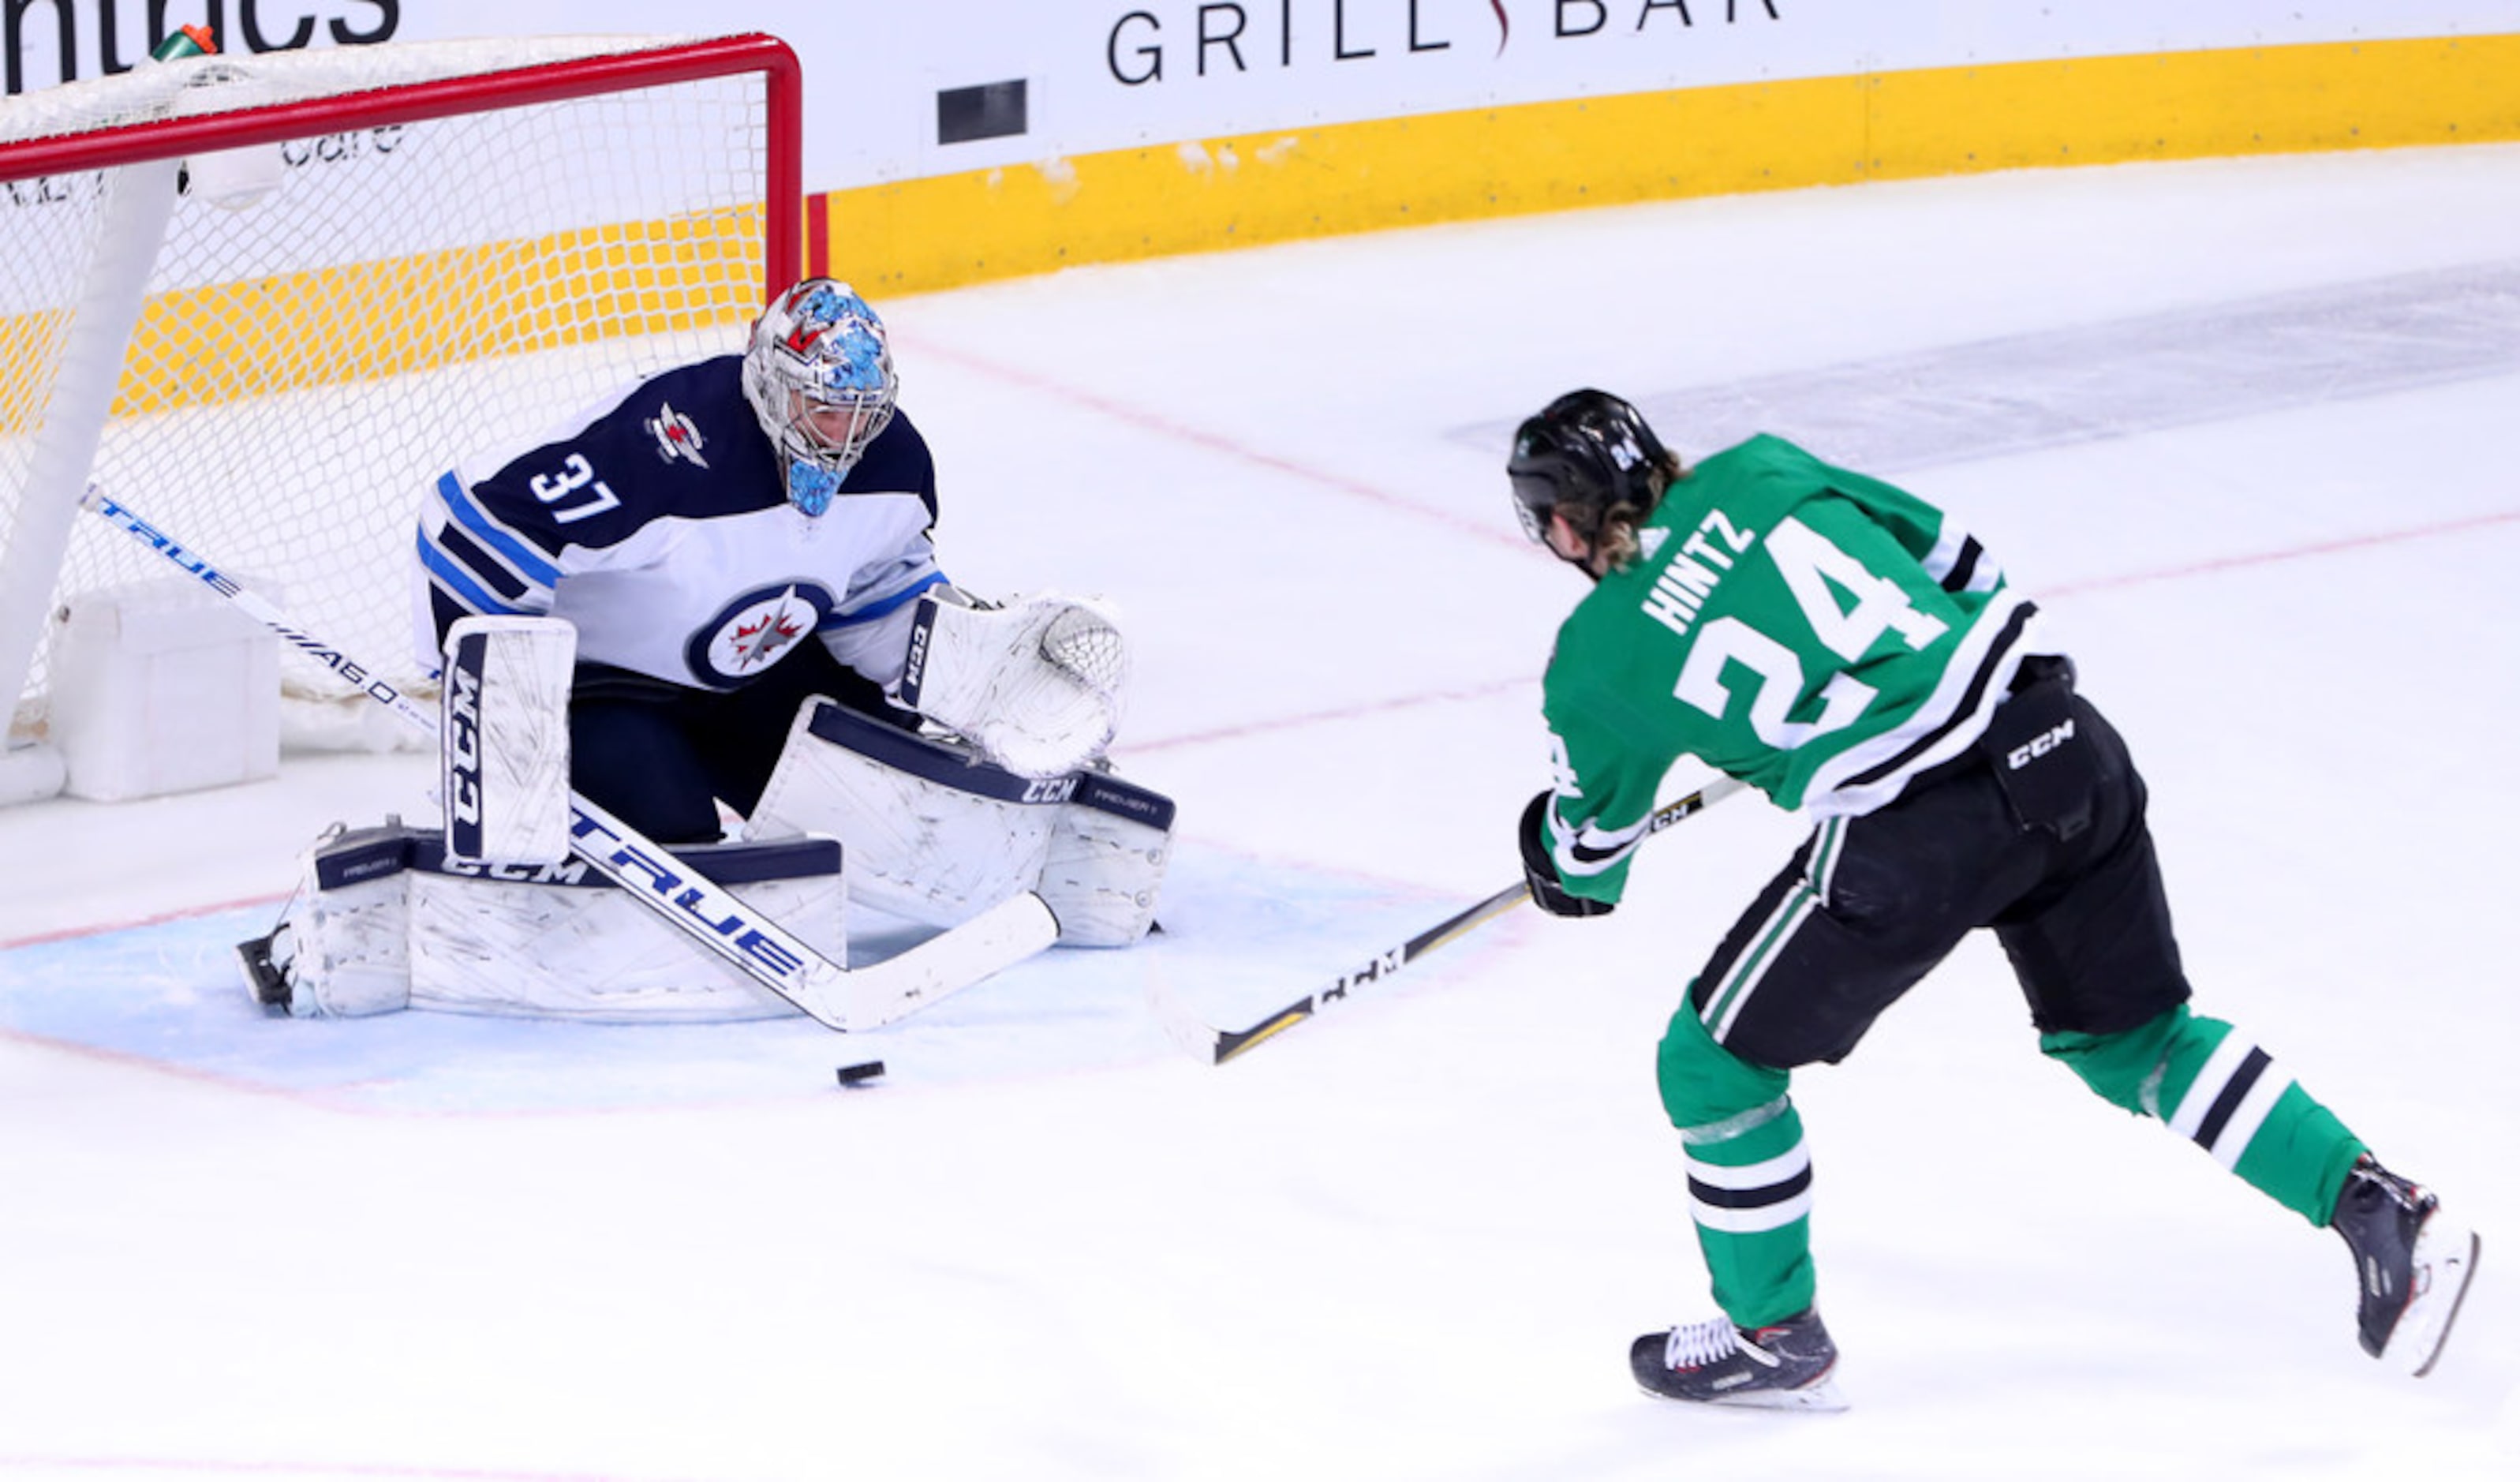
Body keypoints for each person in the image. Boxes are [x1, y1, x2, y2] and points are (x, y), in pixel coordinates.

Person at [1504, 389, 2479, 1410]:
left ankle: (1772, 1333)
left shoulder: (1596, 658)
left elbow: (1585, 864)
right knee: (2136, 1042)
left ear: (1562, 522)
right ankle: (2380, 1209)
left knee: (1708, 1066)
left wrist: (1548, 844)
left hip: (1918, 839)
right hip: (2063, 742)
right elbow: (1964, 564)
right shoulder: (1761, 469)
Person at [413, 277, 1125, 846]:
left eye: (860, 410)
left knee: (897, 814)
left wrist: (972, 677)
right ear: (772, 381)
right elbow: (469, 528)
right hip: (604, 692)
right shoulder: (669, 442)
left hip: (753, 687)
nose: (844, 434)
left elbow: (874, 604)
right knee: (676, 839)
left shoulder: (895, 464)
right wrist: (499, 702)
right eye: (822, 408)